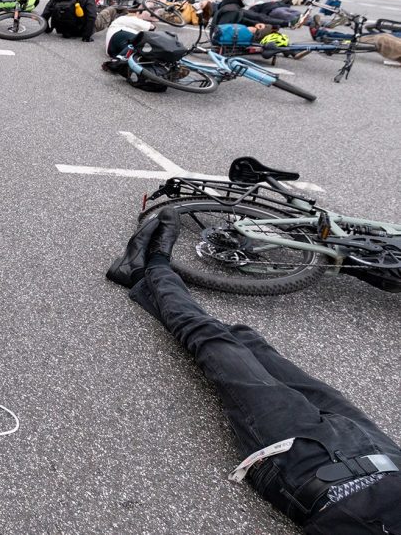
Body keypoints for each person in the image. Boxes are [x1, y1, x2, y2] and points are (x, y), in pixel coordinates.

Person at [106, 209, 401, 533]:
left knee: (212, 341)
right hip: (383, 453)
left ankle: (155, 265)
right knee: (248, 341)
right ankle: (138, 279)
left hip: (314, 472)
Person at [212, 0, 300, 29]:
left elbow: (240, 19)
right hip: (224, 37)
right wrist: (251, 28)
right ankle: (288, 23)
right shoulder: (232, 8)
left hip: (226, 33)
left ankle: (288, 20)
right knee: (265, 25)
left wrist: (255, 24)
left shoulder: (233, 3)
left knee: (262, 19)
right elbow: (223, 28)